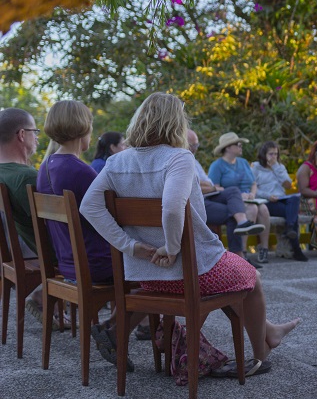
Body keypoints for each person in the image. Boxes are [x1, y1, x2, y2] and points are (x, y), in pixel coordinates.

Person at [81, 93, 300, 377]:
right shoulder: (178, 158)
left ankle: (270, 332)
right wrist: (171, 249)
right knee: (251, 278)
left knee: (235, 274)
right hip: (191, 271)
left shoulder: (117, 162)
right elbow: (172, 209)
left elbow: (89, 206)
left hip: (147, 274)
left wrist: (131, 247)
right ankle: (261, 352)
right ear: (176, 123)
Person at [38, 101, 113, 284]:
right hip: (97, 265)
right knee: (153, 264)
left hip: (67, 264)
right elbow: (111, 219)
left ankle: (117, 314)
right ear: (83, 127)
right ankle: (126, 312)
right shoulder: (81, 171)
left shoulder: (45, 166)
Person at [187, 130, 265, 265]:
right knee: (232, 213)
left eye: (196, 145)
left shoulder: (194, 161)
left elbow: (207, 183)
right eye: (192, 145)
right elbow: (195, 185)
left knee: (234, 192)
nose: (195, 149)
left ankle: (242, 223)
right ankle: (240, 259)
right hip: (195, 204)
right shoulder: (181, 161)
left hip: (210, 197)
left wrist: (206, 186)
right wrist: (207, 186)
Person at [208, 132, 271, 261]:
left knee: (264, 209)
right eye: (238, 144)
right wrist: (239, 196)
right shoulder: (217, 166)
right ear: (228, 148)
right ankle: (243, 253)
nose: (241, 146)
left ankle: (264, 250)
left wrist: (252, 194)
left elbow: (253, 183)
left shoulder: (243, 162)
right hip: (230, 200)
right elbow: (214, 188)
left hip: (250, 198)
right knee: (252, 209)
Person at [251, 141, 307, 262]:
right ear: (263, 154)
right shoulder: (255, 167)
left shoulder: (280, 167)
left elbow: (288, 185)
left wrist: (275, 167)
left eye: (276, 154)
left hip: (281, 200)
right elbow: (253, 188)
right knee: (292, 215)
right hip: (266, 202)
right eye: (271, 154)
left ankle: (290, 227)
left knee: (295, 198)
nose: (274, 157)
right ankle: (296, 249)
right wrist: (268, 195)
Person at [0, 108, 40, 255]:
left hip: (14, 258)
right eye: (35, 131)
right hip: (48, 259)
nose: (37, 137)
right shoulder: (26, 178)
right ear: (22, 134)